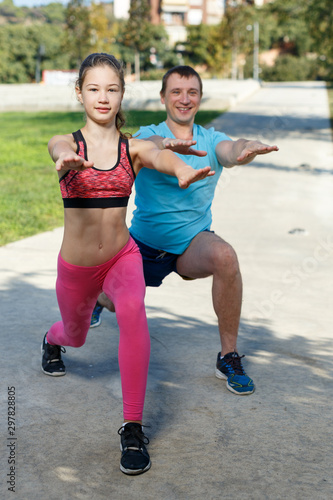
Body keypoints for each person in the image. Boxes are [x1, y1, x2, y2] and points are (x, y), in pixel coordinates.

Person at [41, 54, 214, 476]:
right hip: (78, 270)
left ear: (122, 95)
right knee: (75, 336)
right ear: (79, 92)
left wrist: (184, 170)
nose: (103, 97)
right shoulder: (67, 143)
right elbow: (57, 147)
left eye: (112, 89)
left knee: (134, 314)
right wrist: (64, 159)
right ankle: (51, 338)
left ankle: (132, 426)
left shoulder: (131, 147)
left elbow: (160, 157)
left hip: (123, 256)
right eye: (94, 88)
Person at [91, 65, 278, 396]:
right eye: (176, 91)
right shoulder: (150, 133)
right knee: (113, 299)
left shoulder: (211, 139)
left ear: (200, 98)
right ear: (163, 97)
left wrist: (248, 148)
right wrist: (166, 143)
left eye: (192, 92)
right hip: (145, 245)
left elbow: (231, 149)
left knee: (225, 257)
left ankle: (228, 356)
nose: (184, 98)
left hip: (192, 245)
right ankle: (100, 298)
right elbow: (142, 145)